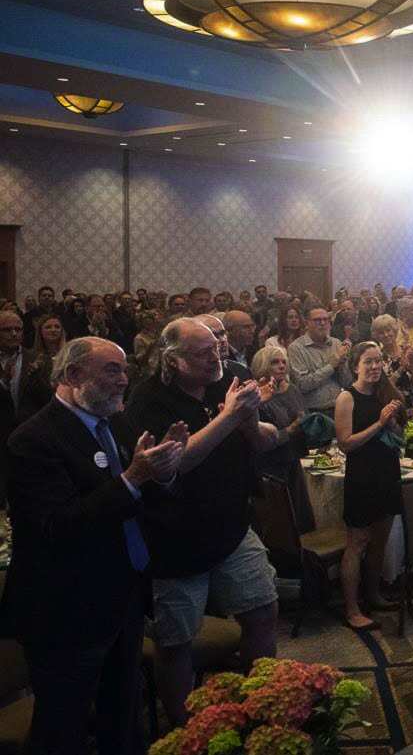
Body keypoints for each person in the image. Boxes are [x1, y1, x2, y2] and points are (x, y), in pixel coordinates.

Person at [1, 337, 185, 755]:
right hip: (66, 609)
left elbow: (138, 501)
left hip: (123, 597)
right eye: (111, 370)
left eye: (124, 370)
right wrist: (134, 478)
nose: (124, 380)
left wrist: (165, 473)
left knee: (122, 715)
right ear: (72, 375)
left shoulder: (115, 423)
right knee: (63, 728)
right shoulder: (33, 439)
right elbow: (58, 525)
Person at [125, 318, 280, 724]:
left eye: (217, 347)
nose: (217, 358)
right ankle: (183, 728)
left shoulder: (231, 376)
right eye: (203, 353)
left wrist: (249, 423)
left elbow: (265, 439)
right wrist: (229, 417)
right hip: (174, 538)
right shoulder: (148, 399)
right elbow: (175, 465)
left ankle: (261, 708)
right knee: (177, 641)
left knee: (263, 611)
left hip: (231, 525)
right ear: (173, 361)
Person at [334, 341, 404, 631]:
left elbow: (400, 435)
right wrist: (379, 424)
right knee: (358, 542)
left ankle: (373, 595)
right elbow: (346, 443)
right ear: (355, 366)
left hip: (387, 472)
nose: (375, 367)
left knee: (379, 541)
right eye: (368, 362)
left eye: (378, 361)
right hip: (362, 476)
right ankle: (351, 609)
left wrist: (392, 424)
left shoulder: (385, 393)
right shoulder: (346, 398)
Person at [252, 345, 315, 532]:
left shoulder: (292, 390)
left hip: (294, 460)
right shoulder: (256, 396)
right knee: (281, 526)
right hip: (270, 468)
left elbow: (304, 417)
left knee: (302, 520)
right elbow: (260, 441)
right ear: (263, 366)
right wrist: (291, 428)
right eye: (274, 362)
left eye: (283, 362)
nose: (281, 366)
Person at [0, 311, 51, 508]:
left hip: (28, 436)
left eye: (18, 329)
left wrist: (38, 379)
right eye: (7, 330)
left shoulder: (36, 359)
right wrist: (3, 382)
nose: (13, 334)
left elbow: (48, 400)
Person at [288, 307, 352, 415]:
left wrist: (343, 365)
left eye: (326, 320)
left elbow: (347, 382)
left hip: (340, 406)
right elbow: (302, 385)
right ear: (307, 323)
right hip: (315, 412)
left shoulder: (336, 343)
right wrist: (331, 366)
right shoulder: (296, 348)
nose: (322, 323)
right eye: (317, 320)